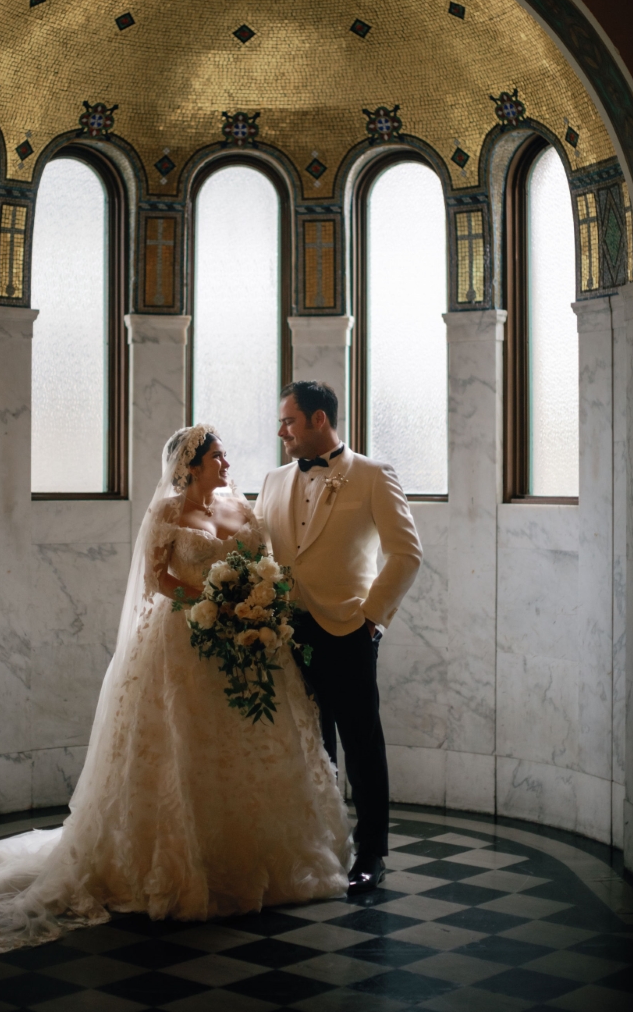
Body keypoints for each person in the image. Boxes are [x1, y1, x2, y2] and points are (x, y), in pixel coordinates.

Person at [0, 426, 350, 962]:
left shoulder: (242, 508)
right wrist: (212, 601)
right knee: (185, 748)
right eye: (217, 455)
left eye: (225, 454)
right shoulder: (167, 512)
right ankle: (182, 862)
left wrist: (253, 601)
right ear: (191, 464)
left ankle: (257, 862)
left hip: (246, 642)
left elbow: (265, 562)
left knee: (250, 749)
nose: (227, 462)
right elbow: (157, 577)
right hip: (185, 638)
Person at [255, 381, 422, 892]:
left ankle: (370, 854)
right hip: (286, 630)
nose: (281, 430)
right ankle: (319, 846)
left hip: (349, 629)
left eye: (289, 421)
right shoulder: (272, 479)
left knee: (361, 746)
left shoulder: (373, 475)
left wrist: (372, 618)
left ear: (319, 420)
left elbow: (406, 553)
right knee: (309, 746)